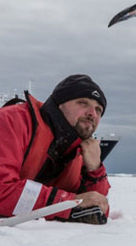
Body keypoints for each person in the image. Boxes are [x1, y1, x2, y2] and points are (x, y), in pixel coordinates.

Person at [0, 74, 110, 224]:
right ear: (59, 104)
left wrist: (95, 169)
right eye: (83, 103)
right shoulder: (11, 121)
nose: (92, 113)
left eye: (98, 109)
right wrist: (69, 202)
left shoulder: (77, 150)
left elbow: (97, 206)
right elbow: (2, 191)